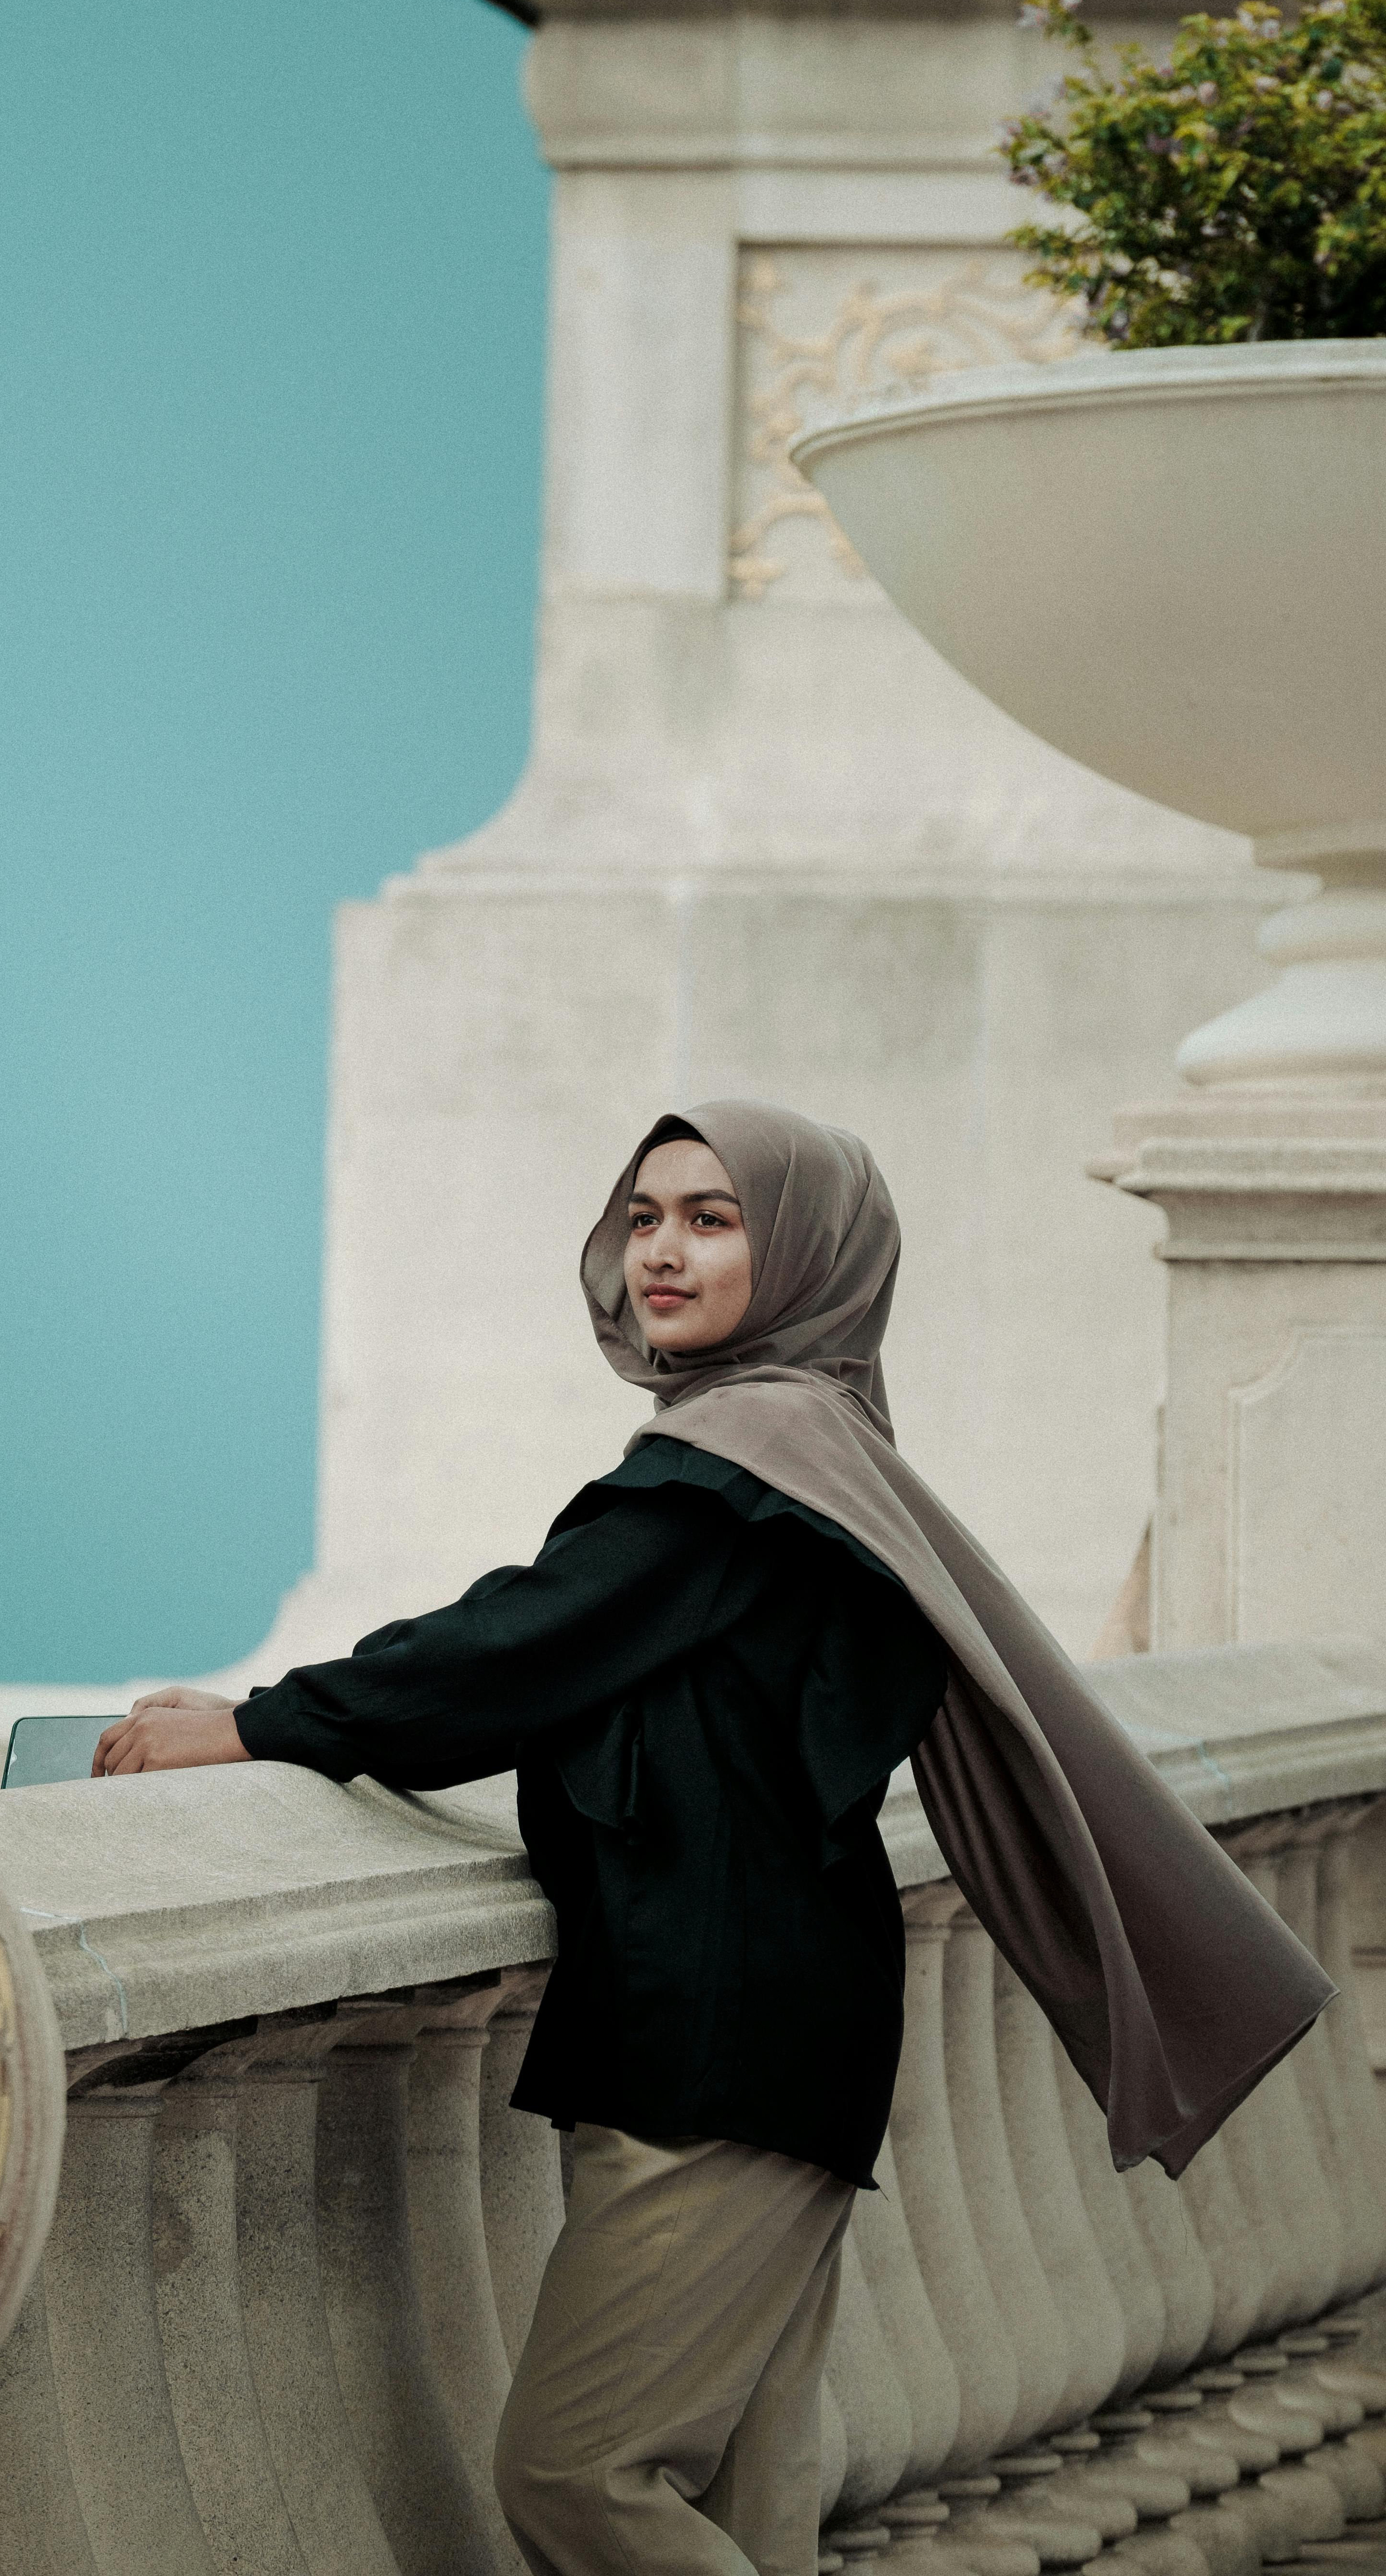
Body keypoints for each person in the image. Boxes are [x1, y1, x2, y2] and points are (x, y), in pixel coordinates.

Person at [92, 1100, 1332, 2576]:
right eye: (645, 1218)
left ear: (809, 1252)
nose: (662, 1253)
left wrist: (261, 1723)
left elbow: (521, 1643)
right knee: (750, 2495)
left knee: (579, 2474)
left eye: (713, 1218)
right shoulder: (821, 1447)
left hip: (722, 2032)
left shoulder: (743, 1467)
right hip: (774, 2015)